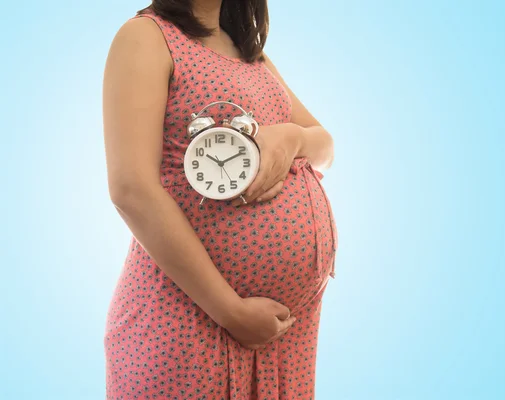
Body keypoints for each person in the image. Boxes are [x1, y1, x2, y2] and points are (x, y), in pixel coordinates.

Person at [102, 0, 338, 398]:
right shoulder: (145, 37)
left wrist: (291, 137)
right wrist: (230, 311)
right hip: (189, 325)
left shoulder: (246, 50)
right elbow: (132, 190)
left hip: (282, 338)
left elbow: (325, 145)